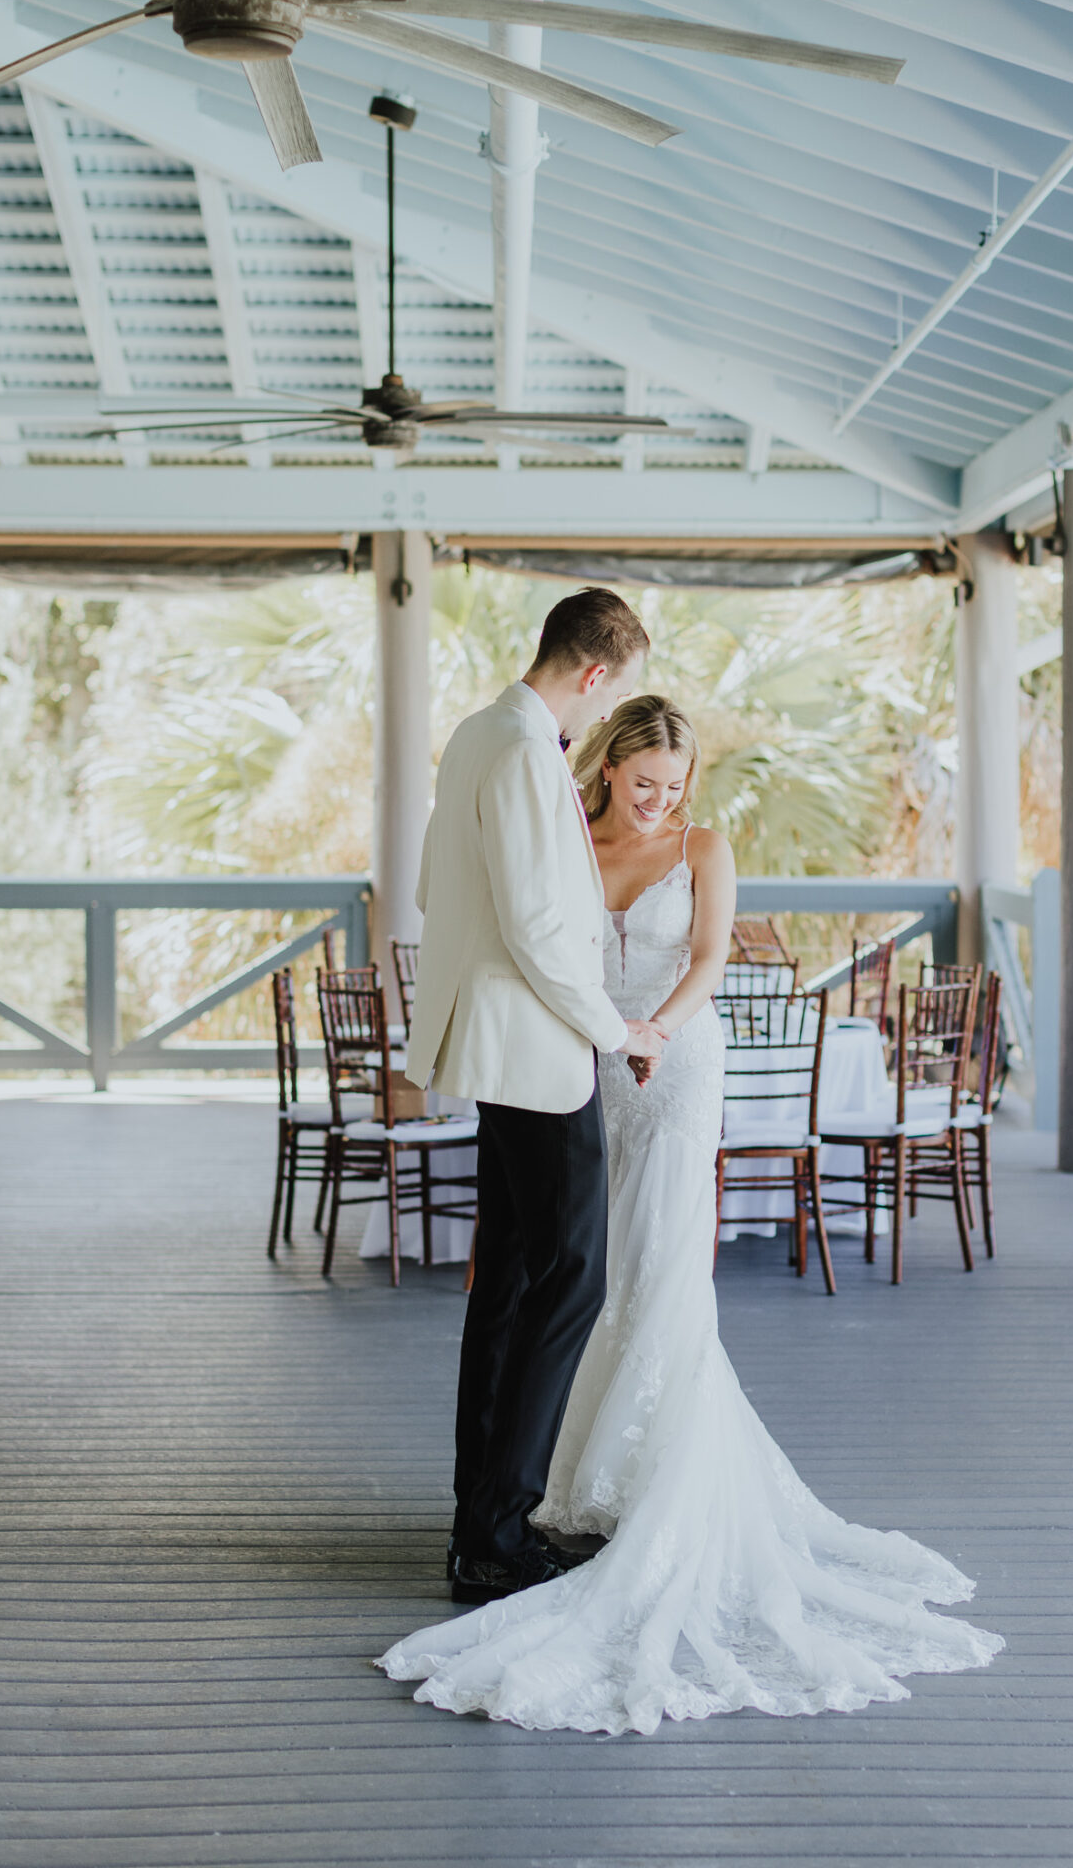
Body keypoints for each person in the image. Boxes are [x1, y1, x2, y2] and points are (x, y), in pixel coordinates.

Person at [380, 695, 1004, 1734]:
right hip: (581, 1069)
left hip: (671, 1068)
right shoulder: (568, 839)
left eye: (674, 786)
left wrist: (657, 1031)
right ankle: (560, 1477)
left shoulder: (703, 847)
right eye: (643, 783)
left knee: (662, 1266)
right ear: (610, 768)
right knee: (586, 1273)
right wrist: (603, 1033)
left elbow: (710, 956)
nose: (660, 800)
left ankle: (649, 1478)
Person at [404, 589, 667, 1607]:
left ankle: (485, 1527)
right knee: (572, 1278)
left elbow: (439, 888)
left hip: (504, 1043)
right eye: (620, 691)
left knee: (510, 1284)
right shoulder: (520, 749)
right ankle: (499, 1529)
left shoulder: (482, 734)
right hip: (538, 1048)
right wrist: (619, 1027)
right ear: (595, 674)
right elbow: (534, 925)